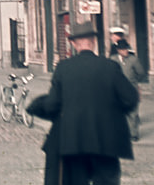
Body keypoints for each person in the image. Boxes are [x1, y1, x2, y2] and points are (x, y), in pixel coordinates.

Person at [40, 21, 139, 185]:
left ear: (73, 43)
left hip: (74, 142)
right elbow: (131, 98)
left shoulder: (63, 68)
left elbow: (52, 104)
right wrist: (115, 112)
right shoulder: (110, 66)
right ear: (93, 42)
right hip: (105, 140)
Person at [111, 39, 147, 141]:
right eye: (123, 49)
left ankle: (133, 134)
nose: (125, 51)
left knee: (133, 112)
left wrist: (135, 81)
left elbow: (141, 73)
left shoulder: (133, 60)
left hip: (131, 88)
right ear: (118, 50)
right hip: (118, 90)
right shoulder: (113, 60)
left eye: (126, 48)